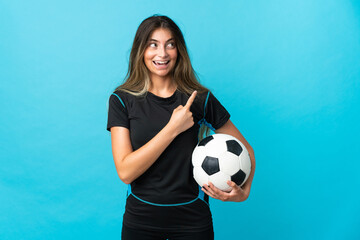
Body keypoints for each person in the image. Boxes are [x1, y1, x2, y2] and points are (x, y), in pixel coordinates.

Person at [106, 14, 256, 240]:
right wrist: (173, 128)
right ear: (141, 51)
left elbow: (247, 151)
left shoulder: (199, 99)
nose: (162, 53)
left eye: (170, 45)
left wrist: (243, 193)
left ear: (179, 51)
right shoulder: (121, 100)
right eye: (152, 45)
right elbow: (126, 172)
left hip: (192, 220)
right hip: (141, 219)